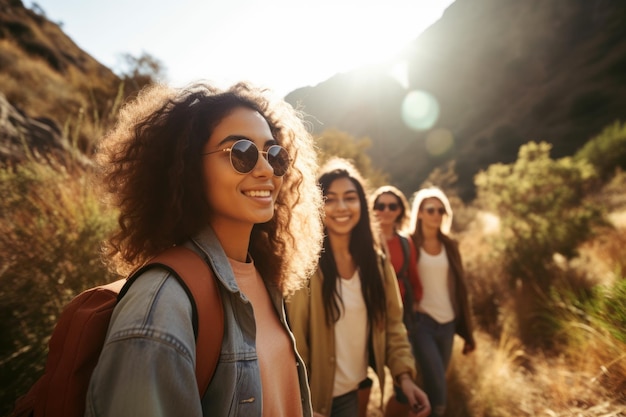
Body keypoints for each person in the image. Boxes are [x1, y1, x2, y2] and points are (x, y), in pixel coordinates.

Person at [85, 81, 324, 417]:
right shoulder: (161, 307)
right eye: (241, 152)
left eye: (274, 154)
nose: (267, 169)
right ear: (188, 166)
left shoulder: (262, 277)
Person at [287, 158, 430, 417]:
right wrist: (300, 401)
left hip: (353, 393)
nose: (341, 207)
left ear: (362, 204)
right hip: (313, 400)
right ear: (317, 205)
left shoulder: (376, 263)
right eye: (330, 199)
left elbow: (393, 326)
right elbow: (294, 341)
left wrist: (405, 377)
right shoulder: (305, 267)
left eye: (350, 198)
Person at [408, 186, 476, 417]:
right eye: (430, 209)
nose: (436, 214)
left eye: (440, 210)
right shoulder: (409, 244)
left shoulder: (451, 246)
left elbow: (460, 290)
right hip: (422, 323)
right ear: (419, 213)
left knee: (434, 379)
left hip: (448, 324)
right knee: (438, 383)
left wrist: (468, 332)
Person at [371, 186, 423, 417]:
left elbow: (413, 278)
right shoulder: (363, 241)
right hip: (367, 318)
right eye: (380, 205)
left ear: (400, 210)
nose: (386, 210)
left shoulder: (405, 243)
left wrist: (414, 305)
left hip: (397, 320)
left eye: (393, 206)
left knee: (403, 386)